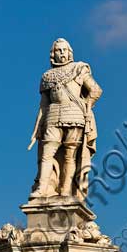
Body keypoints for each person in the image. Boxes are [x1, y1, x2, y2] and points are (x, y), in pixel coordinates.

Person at [28, 38, 102, 199]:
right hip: (52, 115)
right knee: (46, 154)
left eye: (64, 50)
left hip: (74, 115)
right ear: (52, 54)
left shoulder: (79, 69)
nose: (61, 53)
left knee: (70, 155)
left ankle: (66, 191)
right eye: (58, 50)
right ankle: (42, 188)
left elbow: (96, 90)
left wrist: (87, 106)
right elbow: (43, 105)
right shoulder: (47, 76)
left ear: (69, 53)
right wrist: (36, 128)